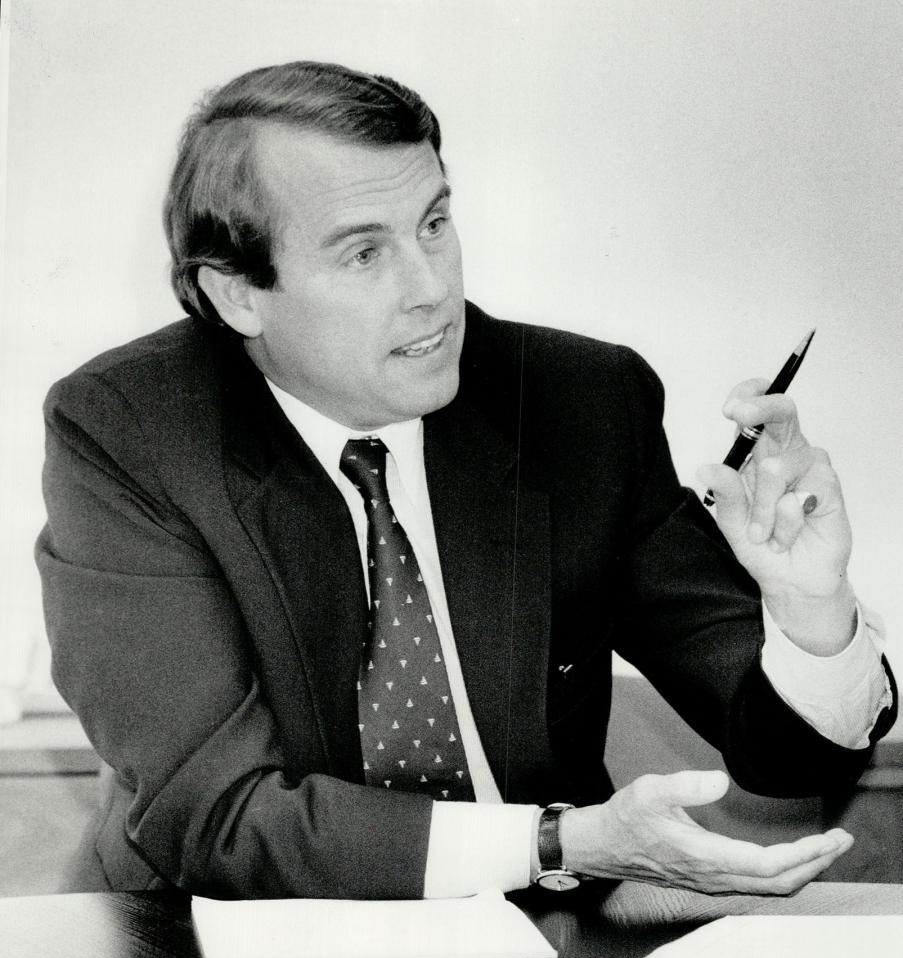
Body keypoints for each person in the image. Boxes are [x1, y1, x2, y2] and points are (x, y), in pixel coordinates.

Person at [37, 60, 895, 901]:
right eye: (364, 254)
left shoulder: (573, 402)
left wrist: (810, 610)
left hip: (533, 950)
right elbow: (216, 819)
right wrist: (560, 841)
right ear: (236, 296)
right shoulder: (132, 431)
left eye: (434, 224)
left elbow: (792, 759)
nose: (431, 289)